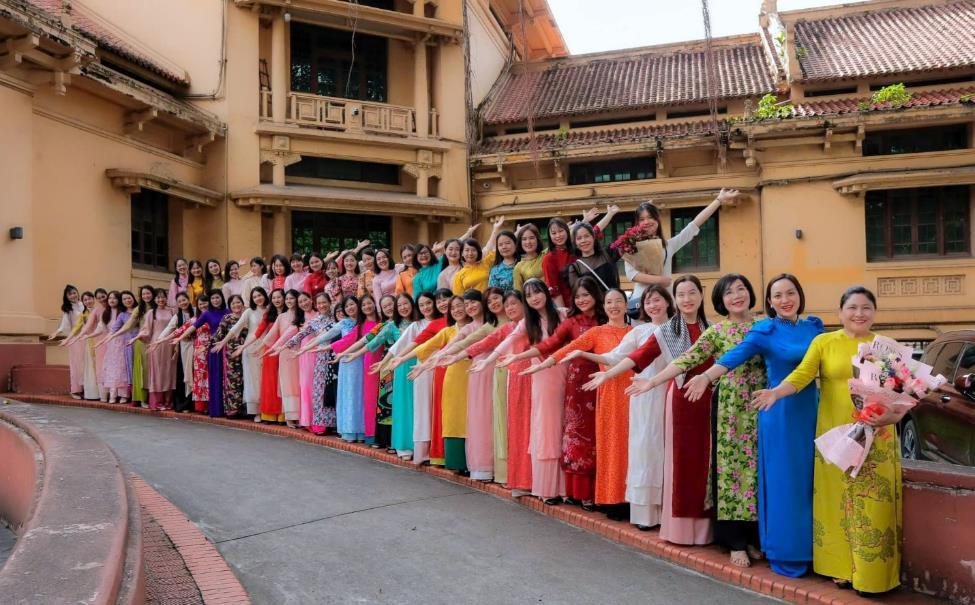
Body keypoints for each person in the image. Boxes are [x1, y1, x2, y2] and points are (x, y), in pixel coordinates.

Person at [751, 286, 903, 594]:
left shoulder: (885, 348)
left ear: (874, 313)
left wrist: (891, 416)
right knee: (836, 503)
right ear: (840, 313)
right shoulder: (825, 342)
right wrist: (776, 392)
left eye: (865, 308)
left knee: (874, 506)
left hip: (878, 436)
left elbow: (900, 396)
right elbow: (803, 375)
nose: (859, 313)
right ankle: (840, 569)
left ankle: (873, 577)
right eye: (852, 308)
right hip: (837, 437)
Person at [627, 274, 765, 568]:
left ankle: (755, 537)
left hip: (763, 408)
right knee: (730, 473)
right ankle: (734, 541)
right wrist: (651, 383)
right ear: (720, 299)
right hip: (728, 409)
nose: (736, 296)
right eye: (729, 292)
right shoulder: (716, 332)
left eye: (742, 289)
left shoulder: (765, 328)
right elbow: (686, 360)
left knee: (759, 473)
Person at [585, 275, 712, 544]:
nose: (687, 299)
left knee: (707, 463)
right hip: (675, 399)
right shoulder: (666, 332)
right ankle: (676, 524)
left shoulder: (712, 329)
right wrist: (607, 375)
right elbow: (636, 357)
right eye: (681, 294)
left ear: (701, 295)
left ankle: (710, 528)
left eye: (692, 293)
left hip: (711, 402)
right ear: (675, 300)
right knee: (675, 460)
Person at [497, 277, 605, 508]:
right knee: (547, 429)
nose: (534, 297)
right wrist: (496, 359)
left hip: (569, 376)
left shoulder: (566, 315)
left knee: (568, 430)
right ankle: (548, 488)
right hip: (544, 377)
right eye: (529, 295)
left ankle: (568, 488)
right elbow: (505, 342)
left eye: (538, 292)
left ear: (546, 292)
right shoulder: (527, 323)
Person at [526, 288, 633, 517]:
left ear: (626, 304)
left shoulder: (637, 332)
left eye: (618, 301)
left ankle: (630, 497)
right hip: (602, 393)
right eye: (609, 302)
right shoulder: (595, 332)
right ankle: (610, 497)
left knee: (630, 445)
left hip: (634, 394)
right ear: (603, 306)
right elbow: (566, 348)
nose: (613, 306)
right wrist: (543, 365)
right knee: (607, 444)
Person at [624, 189, 735, 316]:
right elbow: (632, 275)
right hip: (642, 305)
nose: (646, 222)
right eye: (642, 219)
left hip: (667, 303)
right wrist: (660, 280)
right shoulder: (631, 246)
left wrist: (719, 200)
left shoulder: (668, 246)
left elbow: (692, 226)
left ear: (657, 220)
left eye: (650, 217)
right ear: (637, 223)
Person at [215, 287, 269, 418]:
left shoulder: (270, 310)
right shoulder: (249, 311)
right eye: (255, 296)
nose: (258, 298)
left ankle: (267, 410)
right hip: (250, 347)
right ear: (252, 299)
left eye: (260, 295)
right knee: (253, 380)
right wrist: (223, 342)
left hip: (267, 345)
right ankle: (256, 411)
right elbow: (236, 327)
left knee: (266, 379)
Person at [134, 289, 176, 410]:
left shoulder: (172, 311)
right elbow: (146, 330)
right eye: (158, 298)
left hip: (170, 343)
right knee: (157, 372)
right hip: (156, 344)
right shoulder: (151, 312)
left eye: (163, 297)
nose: (160, 300)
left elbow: (176, 327)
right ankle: (157, 402)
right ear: (154, 299)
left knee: (169, 372)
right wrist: (138, 337)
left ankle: (168, 402)